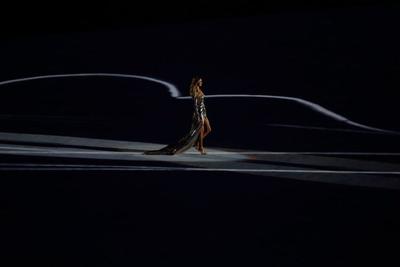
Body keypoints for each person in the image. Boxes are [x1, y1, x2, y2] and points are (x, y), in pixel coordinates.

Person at [143, 76, 212, 155]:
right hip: (199, 112)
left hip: (203, 111)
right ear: (197, 82)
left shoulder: (199, 89)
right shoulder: (194, 90)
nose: (201, 82)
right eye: (200, 81)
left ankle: (197, 144)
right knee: (201, 129)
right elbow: (195, 104)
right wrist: (198, 115)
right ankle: (200, 147)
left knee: (209, 129)